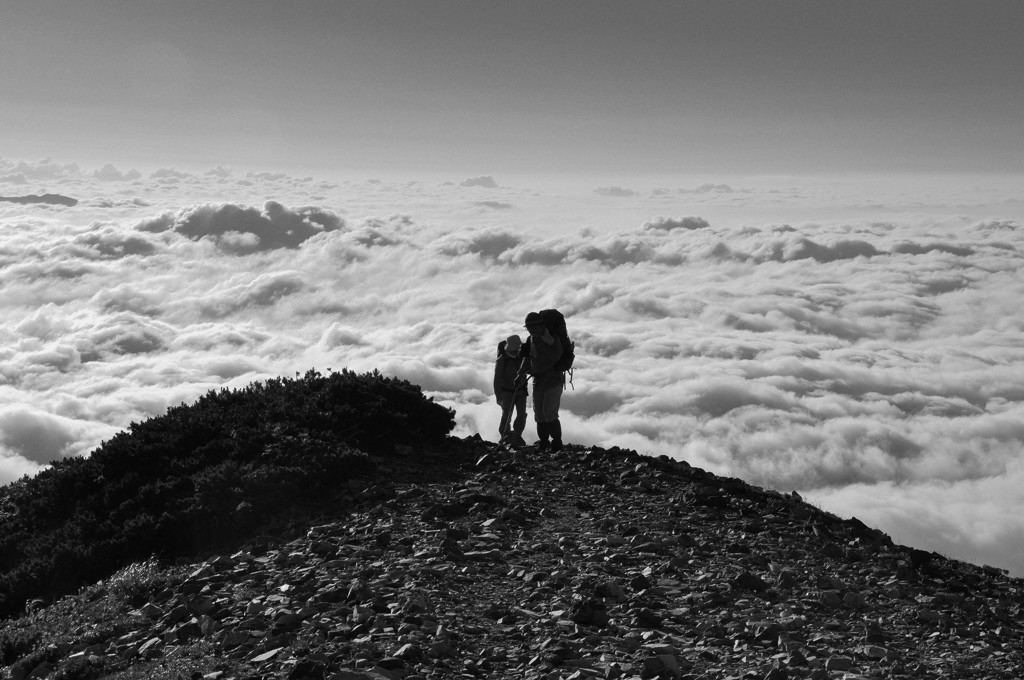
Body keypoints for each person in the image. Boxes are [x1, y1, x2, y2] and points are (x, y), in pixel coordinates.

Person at [516, 312, 564, 452]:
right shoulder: (531, 339)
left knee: (550, 413)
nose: (530, 330)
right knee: (540, 415)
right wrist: (520, 374)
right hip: (538, 381)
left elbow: (555, 356)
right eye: (528, 328)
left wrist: (539, 343)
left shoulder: (552, 338)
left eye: (532, 327)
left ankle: (556, 443)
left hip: (553, 380)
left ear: (540, 325)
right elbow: (528, 359)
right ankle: (544, 443)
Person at [493, 334, 527, 447]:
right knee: (506, 415)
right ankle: (504, 437)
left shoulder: (522, 357)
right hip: (507, 392)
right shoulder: (502, 360)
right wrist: (499, 397)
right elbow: (497, 380)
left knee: (521, 415)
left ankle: (516, 435)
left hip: (520, 391)